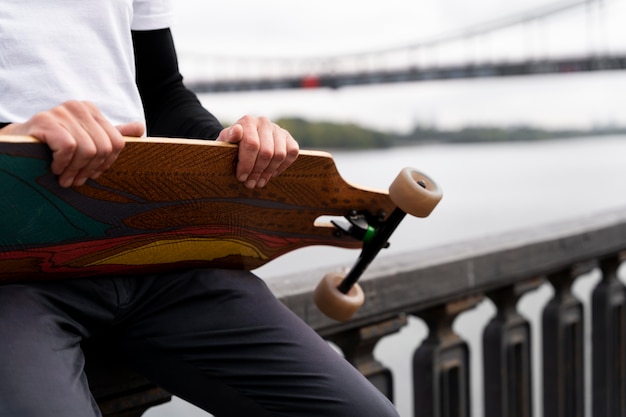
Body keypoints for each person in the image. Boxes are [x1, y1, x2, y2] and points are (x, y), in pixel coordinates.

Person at [0, 1, 400, 417]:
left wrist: (232, 143)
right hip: (14, 267)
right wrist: (12, 141)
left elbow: (161, 92)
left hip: (158, 248)